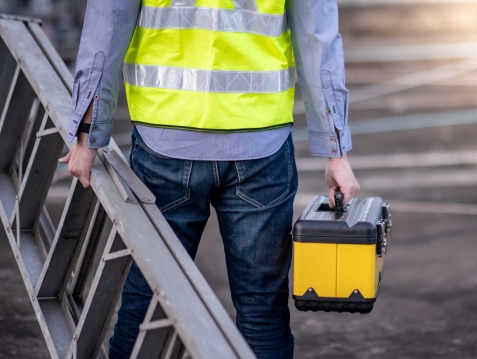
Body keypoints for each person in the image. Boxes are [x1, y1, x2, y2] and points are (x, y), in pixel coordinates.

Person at [59, 0, 359, 358]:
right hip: (259, 143)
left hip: (164, 140)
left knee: (147, 299)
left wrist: (89, 131)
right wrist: (335, 151)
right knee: (262, 310)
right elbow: (317, 35)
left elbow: (108, 21)